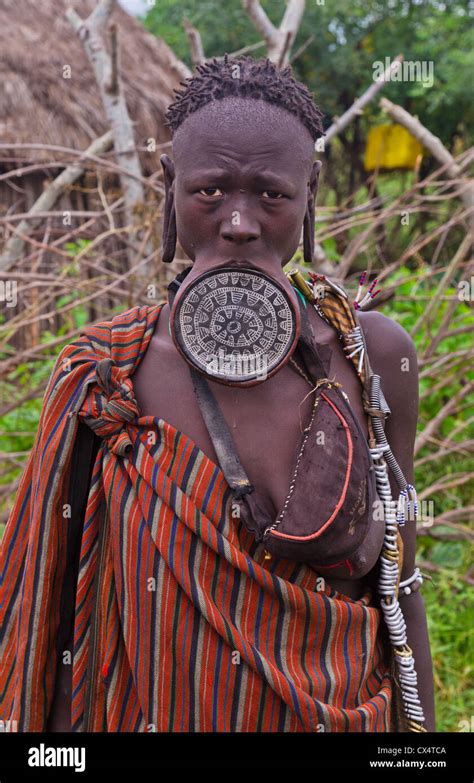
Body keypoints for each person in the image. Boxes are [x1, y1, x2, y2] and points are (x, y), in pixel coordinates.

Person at [0, 55, 435, 733]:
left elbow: (402, 588)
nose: (238, 222)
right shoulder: (105, 376)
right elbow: (48, 612)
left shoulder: (371, 357)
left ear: (310, 196)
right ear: (170, 190)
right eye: (210, 192)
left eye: (271, 194)